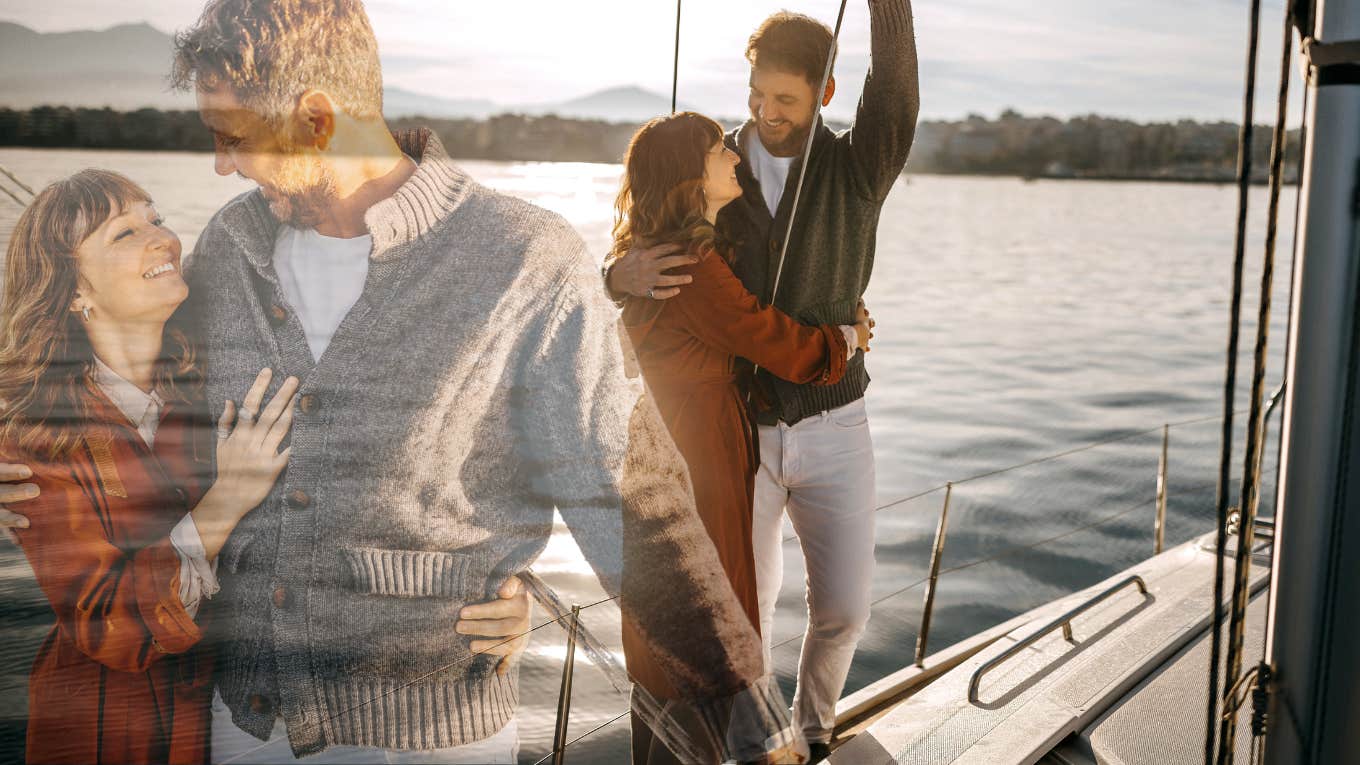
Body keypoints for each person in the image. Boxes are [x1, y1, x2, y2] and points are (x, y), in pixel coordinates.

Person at [0, 0, 799, 763]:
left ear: (316, 120)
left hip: (426, 740)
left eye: (233, 137)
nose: (221, 165)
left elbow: (633, 496)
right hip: (234, 728)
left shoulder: (526, 258)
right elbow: (100, 362)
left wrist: (747, 714)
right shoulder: (227, 248)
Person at [605, 2, 919, 760]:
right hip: (738, 433)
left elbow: (898, 95)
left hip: (835, 426)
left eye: (785, 99)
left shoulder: (856, 168)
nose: (763, 113)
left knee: (843, 609)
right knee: (738, 613)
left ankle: (810, 729)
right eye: (755, 94)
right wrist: (614, 273)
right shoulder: (713, 163)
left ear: (825, 96)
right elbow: (651, 232)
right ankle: (752, 744)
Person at [0, 169, 296, 763]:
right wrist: (227, 501)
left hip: (226, 716)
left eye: (155, 218)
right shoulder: (34, 438)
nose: (162, 238)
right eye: (123, 234)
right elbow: (109, 623)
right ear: (74, 293)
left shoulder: (207, 393)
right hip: (106, 731)